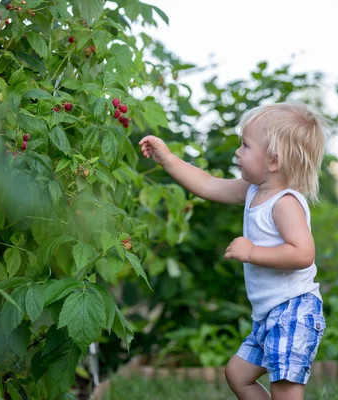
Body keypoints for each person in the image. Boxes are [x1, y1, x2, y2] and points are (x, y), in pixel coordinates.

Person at [139, 102, 327, 400]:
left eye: (245, 145)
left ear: (274, 161)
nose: (238, 153)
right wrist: (168, 160)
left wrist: (252, 252)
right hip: (270, 314)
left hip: (294, 310)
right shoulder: (253, 190)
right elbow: (209, 185)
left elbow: (303, 254)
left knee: (286, 394)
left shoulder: (285, 203)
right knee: (238, 375)